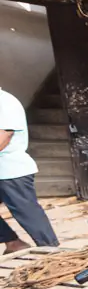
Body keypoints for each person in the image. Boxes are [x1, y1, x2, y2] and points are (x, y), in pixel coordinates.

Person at [0, 88, 59, 253]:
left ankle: (53, 251)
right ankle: (13, 242)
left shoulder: (5, 102)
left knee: (28, 213)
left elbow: (4, 135)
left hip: (11, 170)